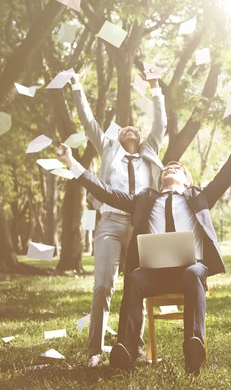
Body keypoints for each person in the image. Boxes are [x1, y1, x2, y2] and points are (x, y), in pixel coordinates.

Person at [56, 107, 231, 375]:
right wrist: (72, 163)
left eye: (176, 168)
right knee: (133, 279)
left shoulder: (199, 198)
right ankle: (127, 349)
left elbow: (229, 171)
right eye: (167, 167)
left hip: (190, 271)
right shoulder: (144, 200)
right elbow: (104, 192)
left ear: (187, 181)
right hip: (153, 274)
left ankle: (193, 345)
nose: (170, 168)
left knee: (195, 271)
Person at [69, 72, 166, 367]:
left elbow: (160, 123)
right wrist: (75, 85)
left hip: (143, 227)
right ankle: (95, 352)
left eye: (135, 127)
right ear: (118, 137)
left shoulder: (151, 150)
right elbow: (88, 122)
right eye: (124, 128)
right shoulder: (109, 148)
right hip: (111, 222)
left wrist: (155, 86)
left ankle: (135, 347)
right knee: (103, 286)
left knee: (140, 286)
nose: (130, 129)